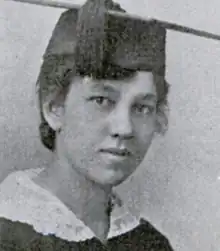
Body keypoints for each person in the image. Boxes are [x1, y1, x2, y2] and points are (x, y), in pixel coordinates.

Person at [0, 0, 173, 250]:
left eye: (142, 108)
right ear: (54, 108)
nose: (124, 128)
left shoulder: (150, 244)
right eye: (101, 100)